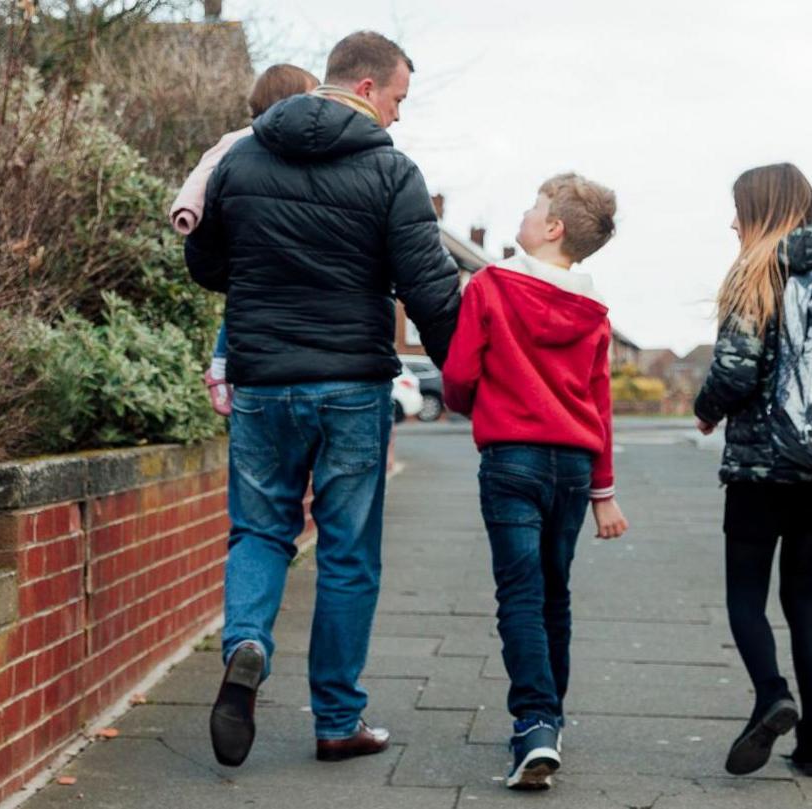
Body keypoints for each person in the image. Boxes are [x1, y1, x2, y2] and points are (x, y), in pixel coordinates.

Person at [185, 31, 461, 767]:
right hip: (350, 386)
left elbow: (205, 260)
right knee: (346, 552)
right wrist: (464, 377)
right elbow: (430, 288)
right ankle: (337, 719)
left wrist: (265, 278)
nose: (399, 115)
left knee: (260, 531)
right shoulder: (389, 169)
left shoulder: (240, 157)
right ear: (367, 88)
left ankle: (245, 641)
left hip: (264, 382)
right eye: (399, 97)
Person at [693, 163, 812, 779]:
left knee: (745, 595)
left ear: (761, 212)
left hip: (758, 467)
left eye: (738, 210)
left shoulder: (754, 274)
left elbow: (736, 370)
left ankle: (772, 695)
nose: (731, 221)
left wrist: (707, 408)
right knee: (803, 596)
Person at [442, 173, 629, 790]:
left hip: (512, 460)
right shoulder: (594, 311)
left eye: (533, 207)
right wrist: (605, 491)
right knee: (555, 593)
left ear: (551, 229)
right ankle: (552, 714)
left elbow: (461, 374)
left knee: (519, 595)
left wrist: (483, 405)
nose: (523, 214)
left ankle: (534, 724)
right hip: (574, 469)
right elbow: (599, 405)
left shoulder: (491, 286)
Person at [167, 64, 322, 415]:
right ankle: (219, 366)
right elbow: (202, 173)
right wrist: (187, 210)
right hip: (246, 255)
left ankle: (222, 365)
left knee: (246, 298)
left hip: (266, 261)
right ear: (288, 101)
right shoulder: (241, 141)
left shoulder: (295, 149)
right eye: (311, 96)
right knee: (242, 298)